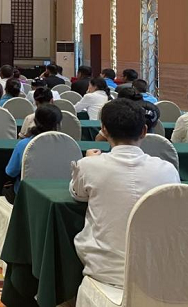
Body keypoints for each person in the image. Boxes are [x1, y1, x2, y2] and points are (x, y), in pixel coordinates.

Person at [70, 99, 180, 289]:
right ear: (144, 131)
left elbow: (78, 194)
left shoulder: (88, 165)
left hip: (104, 269)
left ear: (104, 130)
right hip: (157, 270)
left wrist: (89, 161)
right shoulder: (167, 169)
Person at [5, 104, 63, 193]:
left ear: (35, 121)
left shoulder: (23, 145)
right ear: (59, 124)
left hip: (26, 195)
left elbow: (11, 172)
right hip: (58, 193)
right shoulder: (68, 146)